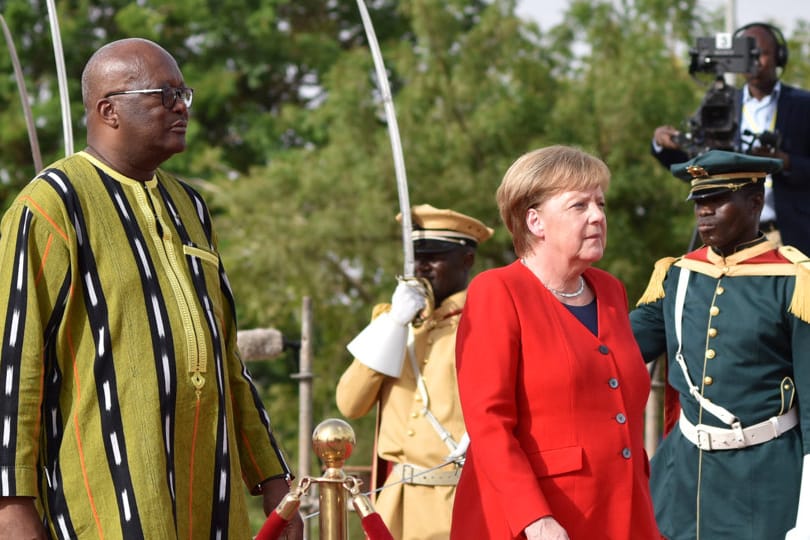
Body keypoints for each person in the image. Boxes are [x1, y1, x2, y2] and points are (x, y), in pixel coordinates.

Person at [0, 38, 303, 539]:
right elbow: (14, 367)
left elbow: (226, 356)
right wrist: (11, 506)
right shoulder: (51, 206)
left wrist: (273, 476)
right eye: (164, 95)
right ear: (109, 110)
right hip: (106, 497)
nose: (181, 106)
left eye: (184, 93)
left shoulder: (192, 208)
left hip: (209, 492)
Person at [451, 145, 660, 540]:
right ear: (535, 221)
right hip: (534, 522)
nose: (598, 216)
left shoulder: (611, 291)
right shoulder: (497, 291)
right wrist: (535, 518)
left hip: (623, 517)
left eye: (600, 203)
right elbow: (489, 423)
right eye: (578, 206)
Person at [631, 150, 810, 540]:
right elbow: (613, 352)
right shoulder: (677, 275)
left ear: (756, 201)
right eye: (699, 201)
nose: (704, 212)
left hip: (765, 479)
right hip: (682, 476)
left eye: (717, 200)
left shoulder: (794, 281)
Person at [336, 204, 493, 540]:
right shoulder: (394, 321)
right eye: (415, 256)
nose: (420, 266)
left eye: (434, 256)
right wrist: (394, 323)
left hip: (457, 502)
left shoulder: (488, 321)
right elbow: (350, 404)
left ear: (466, 260)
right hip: (393, 504)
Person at [651, 22, 810, 254]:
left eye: (762, 53)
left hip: (791, 237)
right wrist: (661, 142)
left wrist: (785, 162)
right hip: (732, 238)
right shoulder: (720, 103)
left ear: (779, 56)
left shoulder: (803, 105)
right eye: (747, 54)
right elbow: (694, 164)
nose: (755, 62)